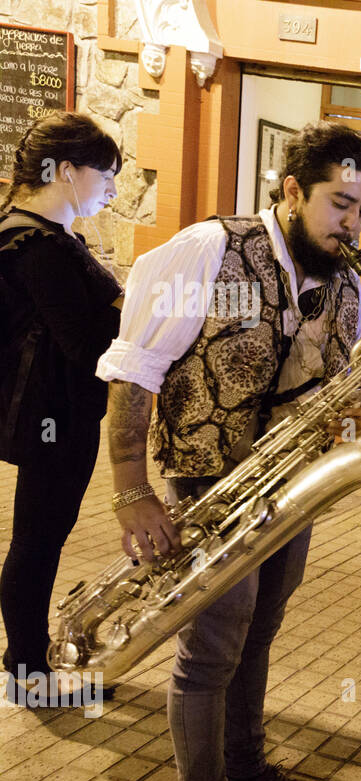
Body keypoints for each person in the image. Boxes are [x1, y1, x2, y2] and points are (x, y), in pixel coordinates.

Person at [98, 122, 361, 781]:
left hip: (289, 486)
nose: (351, 224)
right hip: (206, 486)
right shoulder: (207, 250)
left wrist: (350, 402)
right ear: (291, 190)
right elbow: (134, 372)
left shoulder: (346, 279)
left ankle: (250, 774)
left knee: (259, 634)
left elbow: (334, 375)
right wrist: (131, 493)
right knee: (210, 652)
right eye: (339, 203)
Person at [0, 113, 122, 704]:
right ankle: (26, 672)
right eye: (106, 175)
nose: (112, 189)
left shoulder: (31, 232)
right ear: (67, 171)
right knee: (37, 543)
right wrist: (132, 304)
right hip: (54, 420)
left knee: (37, 539)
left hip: (51, 415)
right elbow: (83, 346)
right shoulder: (43, 246)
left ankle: (26, 662)